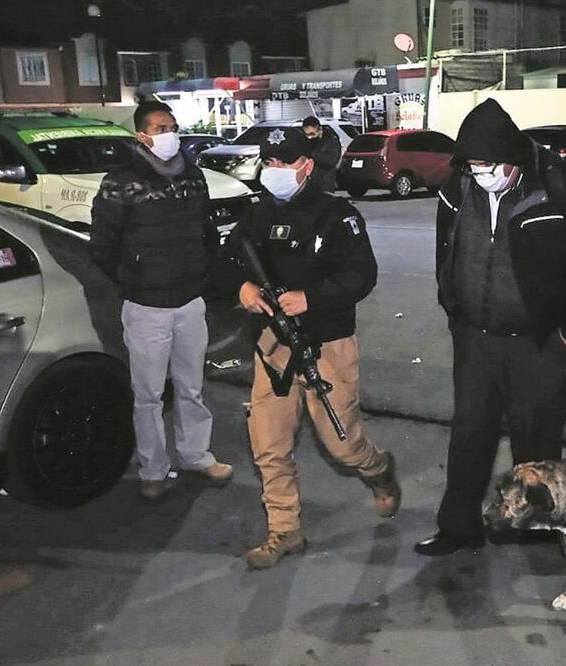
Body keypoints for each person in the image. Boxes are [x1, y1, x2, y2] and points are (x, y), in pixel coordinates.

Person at [414, 98, 566, 557]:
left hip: (540, 343)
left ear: (514, 160)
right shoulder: (458, 188)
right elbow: (447, 252)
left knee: (537, 445)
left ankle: (540, 533)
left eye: (487, 167)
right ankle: (458, 527)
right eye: (471, 167)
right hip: (477, 341)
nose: (479, 175)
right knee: (469, 436)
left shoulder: (565, 189)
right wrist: (456, 314)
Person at [220, 127, 400, 570]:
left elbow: (362, 275)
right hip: (273, 346)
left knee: (343, 446)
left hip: (327, 344)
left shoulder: (336, 214)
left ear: (306, 165)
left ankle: (377, 469)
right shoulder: (255, 216)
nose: (275, 169)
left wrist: (311, 297)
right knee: (268, 443)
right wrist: (240, 286)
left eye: (284, 161)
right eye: (269, 161)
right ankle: (285, 529)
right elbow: (223, 262)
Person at [91, 100, 232, 501]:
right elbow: (102, 244)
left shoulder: (192, 175)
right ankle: (153, 468)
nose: (167, 134)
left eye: (171, 126)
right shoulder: (120, 181)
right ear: (141, 135)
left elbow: (207, 229)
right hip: (146, 306)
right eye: (158, 127)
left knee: (192, 386)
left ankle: (196, 455)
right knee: (149, 394)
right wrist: (131, 278)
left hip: (190, 300)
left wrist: (204, 273)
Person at [301, 116, 341, 193]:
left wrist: (312, 154)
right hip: (308, 183)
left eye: (312, 134)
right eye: (307, 134)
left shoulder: (331, 141)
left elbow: (331, 161)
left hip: (324, 183)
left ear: (320, 130)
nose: (309, 137)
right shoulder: (304, 141)